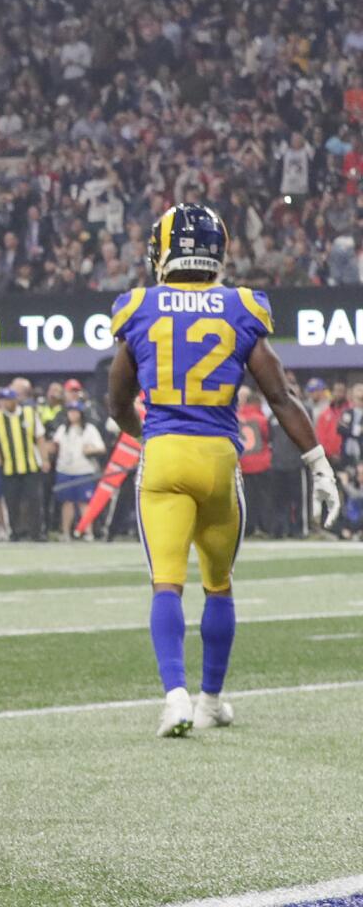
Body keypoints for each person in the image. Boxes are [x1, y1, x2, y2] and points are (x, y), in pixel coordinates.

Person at [108, 203, 339, 738]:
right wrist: (318, 463)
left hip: (164, 456)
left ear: (162, 251)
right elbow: (279, 395)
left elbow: (118, 402)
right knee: (219, 585)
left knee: (166, 583)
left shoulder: (138, 305)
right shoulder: (240, 306)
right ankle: (211, 698)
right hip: (220, 458)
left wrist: (151, 438)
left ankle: (176, 698)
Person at [0, 387, 50, 540]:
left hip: (31, 465)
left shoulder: (30, 414)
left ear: (15, 400)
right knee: (12, 501)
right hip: (9, 467)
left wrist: (44, 459)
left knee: (34, 500)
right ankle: (16, 532)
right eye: (3, 400)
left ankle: (37, 532)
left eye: (8, 400)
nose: (6, 403)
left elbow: (40, 438)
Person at [49, 402, 105, 539]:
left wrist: (90, 450)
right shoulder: (62, 429)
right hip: (65, 469)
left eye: (76, 412)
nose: (73, 414)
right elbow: (54, 446)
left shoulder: (89, 429)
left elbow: (101, 448)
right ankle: (66, 532)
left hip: (83, 470)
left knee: (84, 502)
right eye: (70, 412)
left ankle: (88, 531)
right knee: (66, 502)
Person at [235, 386, 272, 536]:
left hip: (244, 463)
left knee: (246, 498)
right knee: (263, 498)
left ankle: (247, 527)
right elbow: (267, 437)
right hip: (261, 462)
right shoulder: (261, 418)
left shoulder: (238, 417)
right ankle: (263, 526)